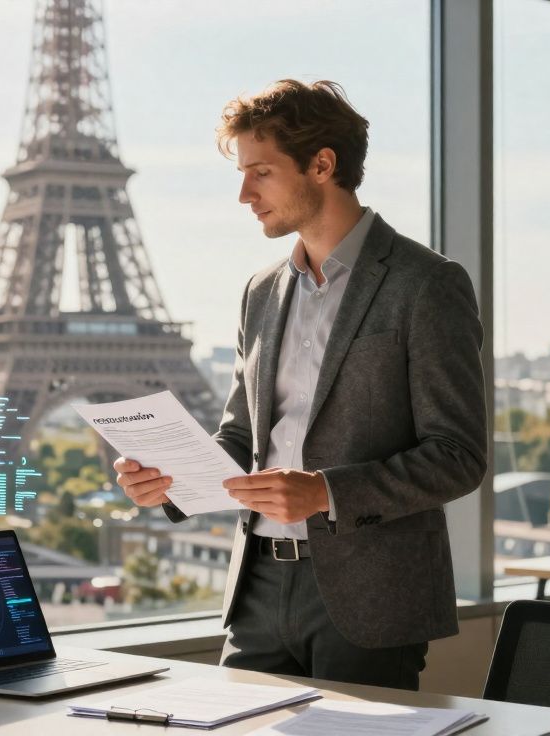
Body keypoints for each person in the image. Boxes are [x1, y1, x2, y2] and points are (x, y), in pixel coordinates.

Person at [113, 79, 487, 690]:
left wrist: (325, 493)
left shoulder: (426, 284)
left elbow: (458, 457)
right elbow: (242, 435)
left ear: (321, 164)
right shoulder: (260, 291)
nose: (243, 193)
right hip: (257, 587)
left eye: (260, 172)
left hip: (369, 596)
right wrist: (168, 479)